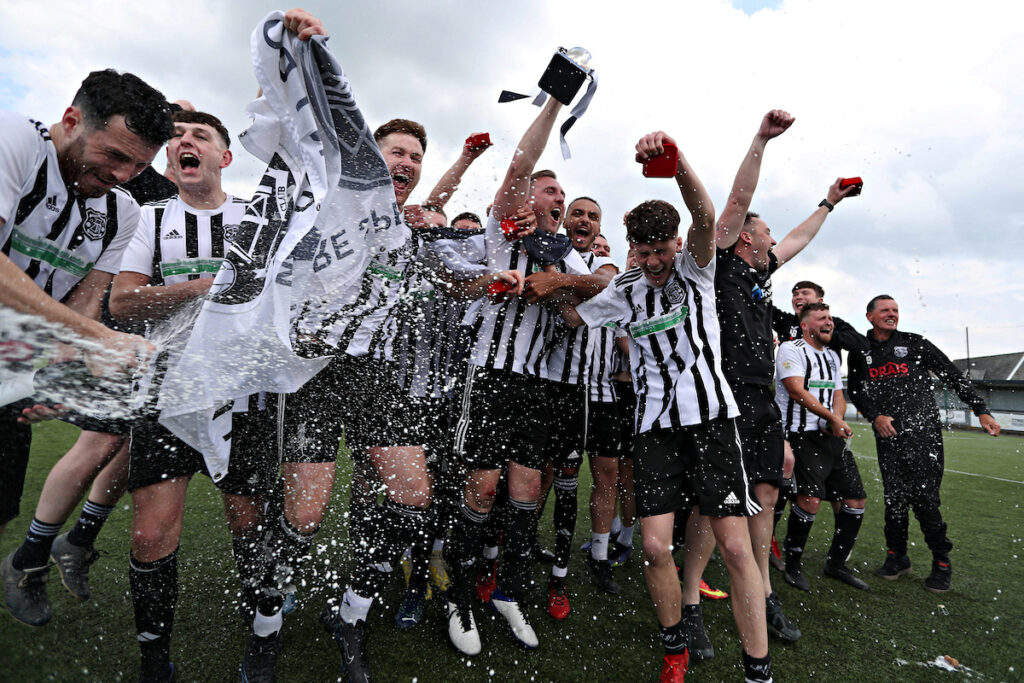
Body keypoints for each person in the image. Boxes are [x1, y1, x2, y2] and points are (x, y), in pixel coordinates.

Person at [560, 131, 772, 683]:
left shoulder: (695, 268)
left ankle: (758, 668)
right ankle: (674, 650)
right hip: (654, 429)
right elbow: (576, 317)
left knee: (733, 544)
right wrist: (547, 284)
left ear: (676, 244)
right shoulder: (626, 288)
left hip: (711, 421)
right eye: (645, 251)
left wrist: (675, 166)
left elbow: (706, 217)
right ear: (632, 247)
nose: (654, 261)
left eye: (662, 249)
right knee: (655, 549)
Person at [106, 107, 284, 682]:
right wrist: (209, 285)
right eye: (178, 138)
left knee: (249, 523)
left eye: (199, 137)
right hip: (168, 395)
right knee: (150, 534)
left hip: (242, 395)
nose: (185, 143)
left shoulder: (254, 220)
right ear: (168, 160)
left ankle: (263, 637)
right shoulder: (149, 219)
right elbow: (123, 303)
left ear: (224, 158)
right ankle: (155, 658)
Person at [1, 69, 173, 627]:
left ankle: (24, 563)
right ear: (71, 120)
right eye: (114, 156)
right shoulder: (14, 140)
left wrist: (68, 371)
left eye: (140, 167)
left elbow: (81, 306)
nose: (122, 175)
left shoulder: (122, 210)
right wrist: (98, 337)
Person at [443, 95, 611, 656]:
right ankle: (462, 600)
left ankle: (508, 593)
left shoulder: (568, 256)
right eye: (549, 191)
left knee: (527, 490)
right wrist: (557, 102)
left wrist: (556, 284)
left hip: (539, 385)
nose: (557, 201)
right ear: (526, 198)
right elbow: (518, 164)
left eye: (563, 196)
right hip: (490, 373)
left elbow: (604, 288)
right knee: (483, 487)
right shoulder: (503, 233)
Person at [710, 109, 859, 649]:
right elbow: (735, 201)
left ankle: (764, 592)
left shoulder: (760, 269)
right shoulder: (724, 262)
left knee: (769, 489)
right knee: (720, 500)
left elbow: (799, 238)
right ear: (746, 237)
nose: (774, 239)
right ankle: (697, 593)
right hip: (723, 394)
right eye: (765, 231)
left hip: (761, 397)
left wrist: (829, 203)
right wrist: (760, 140)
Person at [847, 295, 1001, 593]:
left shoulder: (916, 344)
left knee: (924, 498)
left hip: (923, 434)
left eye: (895, 310)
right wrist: (875, 416)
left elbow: (953, 375)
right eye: (885, 311)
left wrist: (980, 410)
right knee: (894, 498)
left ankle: (941, 561)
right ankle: (897, 556)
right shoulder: (860, 351)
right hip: (888, 436)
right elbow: (856, 390)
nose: (892, 315)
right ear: (869, 317)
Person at [775, 303, 869, 592]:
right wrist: (830, 418)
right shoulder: (792, 349)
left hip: (830, 437)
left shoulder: (830, 355)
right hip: (799, 435)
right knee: (809, 501)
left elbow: (838, 393)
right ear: (805, 326)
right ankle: (793, 565)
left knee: (855, 501)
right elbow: (795, 390)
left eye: (830, 318)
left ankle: (836, 563)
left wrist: (836, 419)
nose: (830, 323)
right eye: (822, 319)